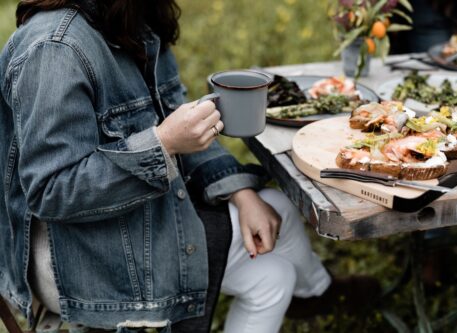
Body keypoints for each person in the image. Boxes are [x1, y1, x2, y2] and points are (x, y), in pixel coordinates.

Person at [0, 1, 382, 332]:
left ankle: (316, 292)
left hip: (129, 219)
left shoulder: (134, 21)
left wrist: (240, 191)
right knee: (281, 212)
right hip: (76, 261)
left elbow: (178, 117)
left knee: (273, 275)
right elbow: (52, 191)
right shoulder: (54, 48)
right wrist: (163, 143)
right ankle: (323, 292)